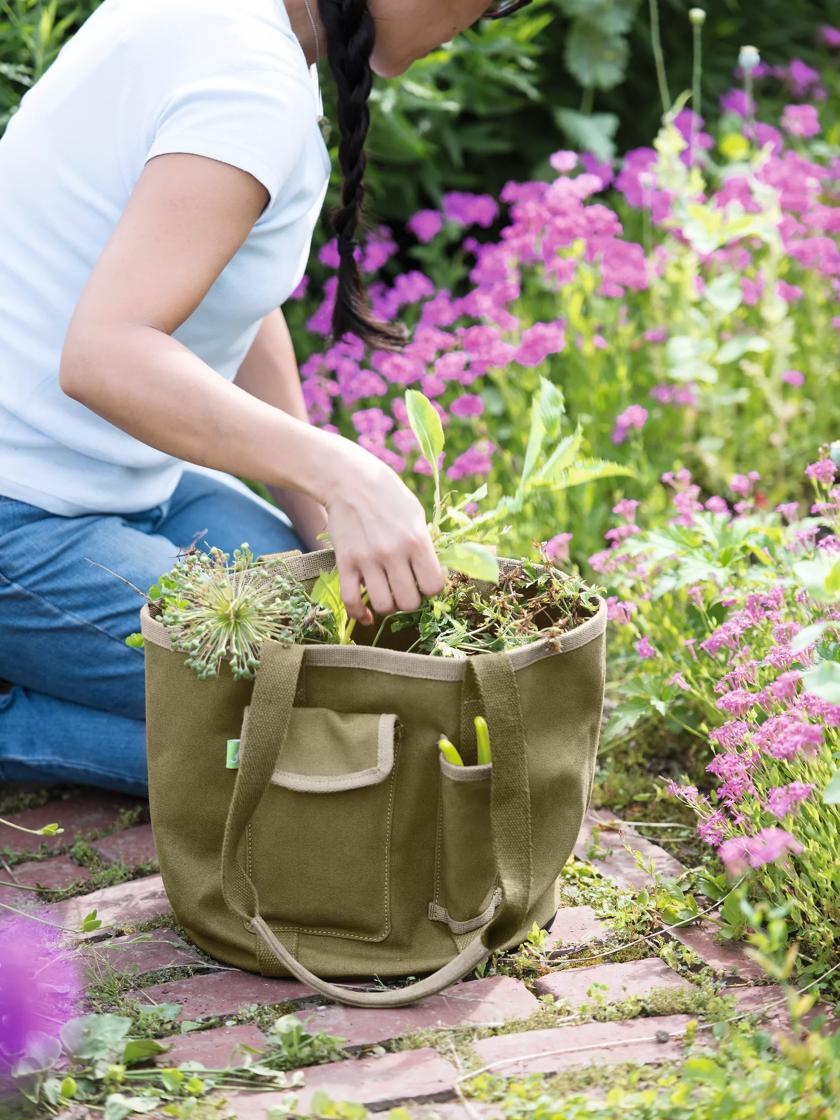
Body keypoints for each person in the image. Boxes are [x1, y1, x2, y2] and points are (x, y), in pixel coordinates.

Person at [0, 0, 533, 794]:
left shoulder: (239, 28)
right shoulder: (249, 81)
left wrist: (311, 506)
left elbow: (229, 297)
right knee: (336, 724)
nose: (489, 15)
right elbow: (104, 356)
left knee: (365, 648)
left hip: (123, 485)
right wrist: (346, 475)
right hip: (23, 514)